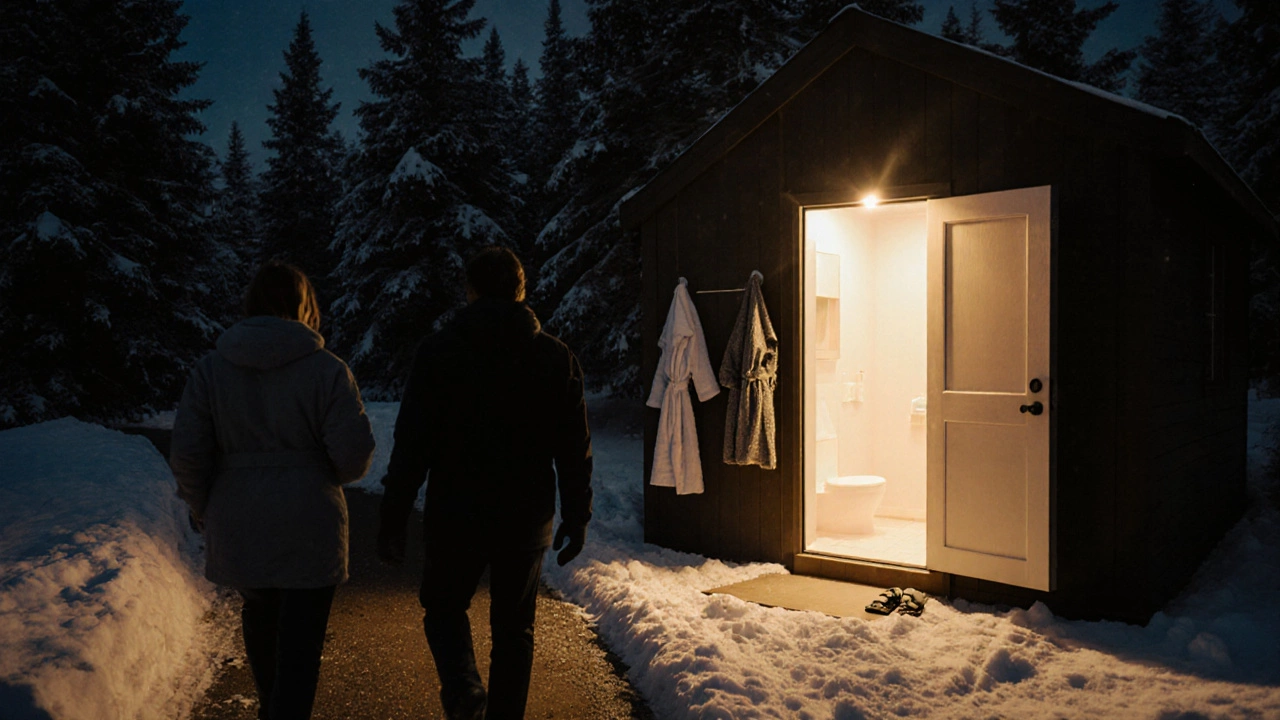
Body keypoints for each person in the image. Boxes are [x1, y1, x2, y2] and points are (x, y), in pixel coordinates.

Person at [377, 245, 593, 720]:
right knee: (515, 631)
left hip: (456, 512)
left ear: (470, 291)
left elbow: (412, 441)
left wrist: (394, 514)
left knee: (443, 608)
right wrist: (578, 515)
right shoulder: (556, 358)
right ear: (521, 291)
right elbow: (573, 447)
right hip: (526, 515)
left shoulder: (438, 353)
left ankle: (464, 689)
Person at [170, 262, 376, 720]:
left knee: (260, 623)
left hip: (240, 521)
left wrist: (204, 505)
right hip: (309, 523)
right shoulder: (327, 370)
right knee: (301, 651)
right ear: (305, 306)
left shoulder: (211, 370)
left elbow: (187, 453)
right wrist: (320, 477)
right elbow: (355, 452)